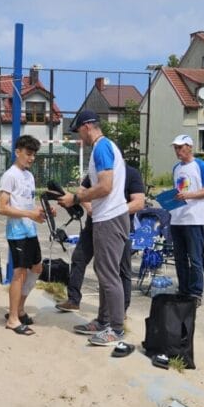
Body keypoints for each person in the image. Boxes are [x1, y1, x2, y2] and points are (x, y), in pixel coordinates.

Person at [58, 110, 129, 346]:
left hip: (109, 218)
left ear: (87, 126)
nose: (79, 137)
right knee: (104, 272)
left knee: (109, 275)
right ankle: (103, 321)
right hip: (107, 217)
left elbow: (106, 186)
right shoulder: (105, 147)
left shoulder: (101, 147)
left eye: (78, 130)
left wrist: (76, 199)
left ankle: (116, 329)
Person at [56, 164, 146, 314]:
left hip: (118, 228)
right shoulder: (97, 172)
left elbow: (138, 202)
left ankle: (121, 309)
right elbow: (81, 191)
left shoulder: (131, 173)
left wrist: (113, 212)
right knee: (79, 258)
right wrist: (89, 207)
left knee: (121, 269)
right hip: (93, 225)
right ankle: (73, 300)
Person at [0, 135, 46, 335]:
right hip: (16, 233)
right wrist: (29, 214)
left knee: (37, 268)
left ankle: (19, 309)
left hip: (30, 230)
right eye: (28, 153)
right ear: (17, 152)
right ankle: (13, 319)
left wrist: (41, 212)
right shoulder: (10, 175)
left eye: (33, 154)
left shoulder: (29, 176)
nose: (31, 158)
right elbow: (1, 207)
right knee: (19, 273)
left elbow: (27, 204)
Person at [169, 135, 204, 303]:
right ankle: (183, 289)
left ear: (189, 147)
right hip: (177, 219)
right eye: (175, 148)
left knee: (195, 258)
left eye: (180, 147)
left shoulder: (200, 165)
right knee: (179, 258)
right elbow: (177, 191)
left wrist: (188, 195)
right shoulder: (176, 168)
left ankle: (196, 293)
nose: (177, 151)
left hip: (194, 218)